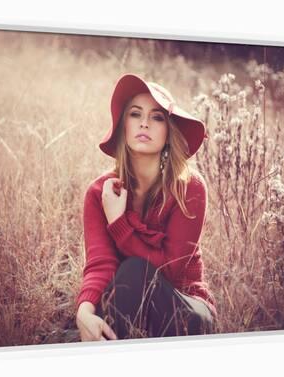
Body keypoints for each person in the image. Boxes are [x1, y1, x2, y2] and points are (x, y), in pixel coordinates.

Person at [75, 73, 217, 342]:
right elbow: (100, 264)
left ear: (168, 131)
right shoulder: (100, 193)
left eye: (157, 117)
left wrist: (119, 224)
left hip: (185, 307)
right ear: (123, 126)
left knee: (133, 270)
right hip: (127, 304)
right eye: (135, 114)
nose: (144, 123)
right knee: (122, 283)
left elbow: (172, 270)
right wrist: (84, 313)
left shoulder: (189, 187)